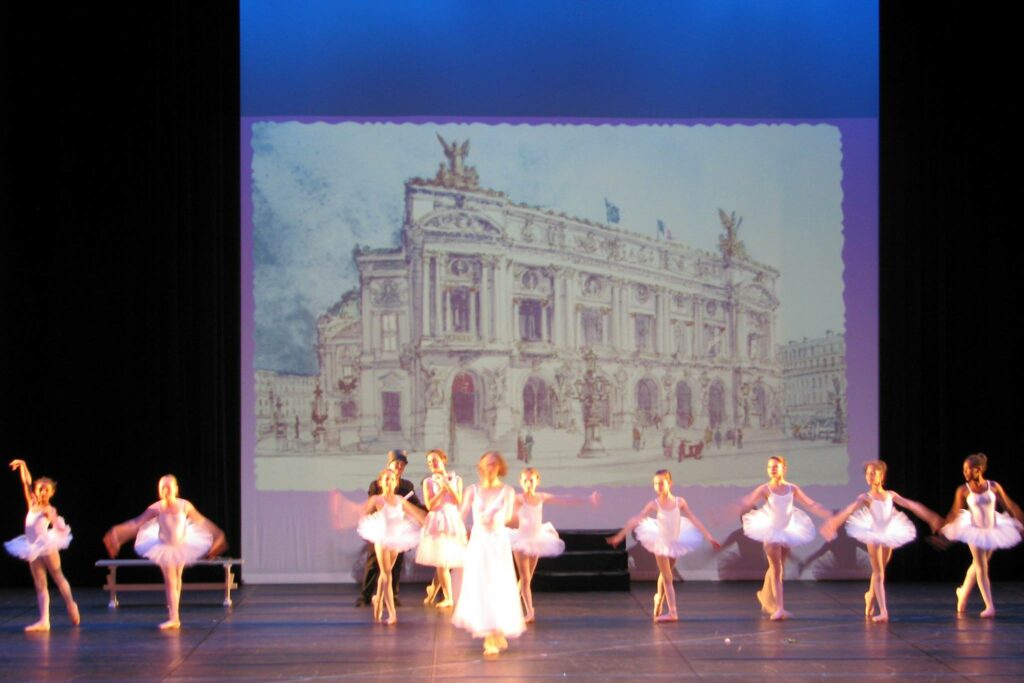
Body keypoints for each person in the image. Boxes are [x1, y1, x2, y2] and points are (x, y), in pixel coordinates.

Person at [820, 460, 942, 621]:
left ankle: (870, 595)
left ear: (881, 476)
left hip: (888, 533)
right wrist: (834, 522)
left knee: (881, 570)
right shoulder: (866, 497)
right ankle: (883, 611)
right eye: (867, 473)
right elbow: (849, 510)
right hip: (873, 534)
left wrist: (930, 517)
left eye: (873, 473)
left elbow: (912, 505)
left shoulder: (891, 495)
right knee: (878, 573)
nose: (869, 476)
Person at [103, 475, 226, 629]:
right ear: (159, 491)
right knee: (170, 580)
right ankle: (174, 617)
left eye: (169, 487)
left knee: (178, 577)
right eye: (163, 488)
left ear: (176, 489)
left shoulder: (184, 505)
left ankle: (175, 613)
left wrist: (218, 535)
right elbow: (136, 523)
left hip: (182, 544)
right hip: (164, 546)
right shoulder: (157, 507)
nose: (166, 490)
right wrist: (117, 531)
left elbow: (202, 521)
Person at [607, 469, 719, 622]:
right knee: (667, 578)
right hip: (660, 540)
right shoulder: (654, 504)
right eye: (655, 483)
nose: (658, 486)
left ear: (669, 483)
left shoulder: (680, 502)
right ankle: (673, 613)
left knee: (666, 574)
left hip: (676, 540)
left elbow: (693, 519)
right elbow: (636, 519)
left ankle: (658, 597)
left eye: (661, 482)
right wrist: (620, 535)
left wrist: (709, 537)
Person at [740, 455, 830, 620]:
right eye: (769, 467)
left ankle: (765, 596)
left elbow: (810, 504)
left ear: (784, 468)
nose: (772, 469)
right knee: (776, 569)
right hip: (771, 530)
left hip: (788, 529)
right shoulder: (765, 489)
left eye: (775, 466)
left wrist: (828, 515)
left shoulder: (792, 488)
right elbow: (746, 502)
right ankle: (779, 608)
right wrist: (724, 513)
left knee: (778, 568)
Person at [452, 452, 525, 656]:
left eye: (494, 464)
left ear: (500, 466)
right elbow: (462, 513)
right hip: (480, 541)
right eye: (487, 464)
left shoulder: (507, 491)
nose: (491, 467)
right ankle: (488, 634)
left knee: (499, 583)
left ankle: (497, 628)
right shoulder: (473, 490)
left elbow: (510, 517)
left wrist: (497, 517)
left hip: (497, 541)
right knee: (480, 583)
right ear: (481, 467)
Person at [940, 453, 1024, 617]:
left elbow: (1009, 505)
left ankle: (962, 592)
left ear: (978, 470)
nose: (964, 472)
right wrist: (944, 529)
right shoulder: (964, 490)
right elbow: (954, 512)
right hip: (975, 530)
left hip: (993, 529)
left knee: (980, 563)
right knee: (982, 566)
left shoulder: (993, 486)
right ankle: (989, 606)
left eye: (967, 469)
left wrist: (1020, 523)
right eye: (963, 469)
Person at [511, 467, 597, 623]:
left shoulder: (541, 497)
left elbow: (565, 500)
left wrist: (587, 500)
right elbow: (506, 514)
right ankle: (530, 612)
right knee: (524, 578)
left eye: (531, 480)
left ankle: (512, 604)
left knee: (527, 578)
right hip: (522, 539)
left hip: (536, 538)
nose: (528, 484)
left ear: (537, 481)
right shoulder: (517, 499)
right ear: (520, 482)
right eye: (525, 480)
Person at [5, 459, 79, 632]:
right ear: (36, 491)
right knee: (40, 583)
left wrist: (59, 526)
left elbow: (56, 523)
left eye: (47, 489)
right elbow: (27, 482)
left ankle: (71, 605)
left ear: (51, 493)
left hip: (46, 545)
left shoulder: (48, 509)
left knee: (58, 576)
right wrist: (23, 465)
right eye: (40, 488)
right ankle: (44, 620)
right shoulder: (31, 503)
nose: (43, 491)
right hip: (31, 547)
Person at [358, 468, 427, 624]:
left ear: (395, 482)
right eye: (386, 479)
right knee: (387, 575)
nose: (389, 481)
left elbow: (415, 513)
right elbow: (363, 515)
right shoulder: (377, 500)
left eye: (392, 479)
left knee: (385, 574)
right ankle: (392, 614)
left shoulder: (399, 499)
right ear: (381, 482)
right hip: (382, 539)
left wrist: (426, 522)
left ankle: (378, 599)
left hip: (396, 539)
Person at [415, 448, 467, 608]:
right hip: (437, 520)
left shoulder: (456, 478)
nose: (432, 464)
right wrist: (441, 490)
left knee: (447, 559)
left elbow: (458, 500)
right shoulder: (428, 482)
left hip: (452, 520)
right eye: (429, 462)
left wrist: (448, 486)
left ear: (443, 460)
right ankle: (448, 597)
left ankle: (432, 590)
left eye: (435, 460)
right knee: (442, 561)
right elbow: (430, 505)